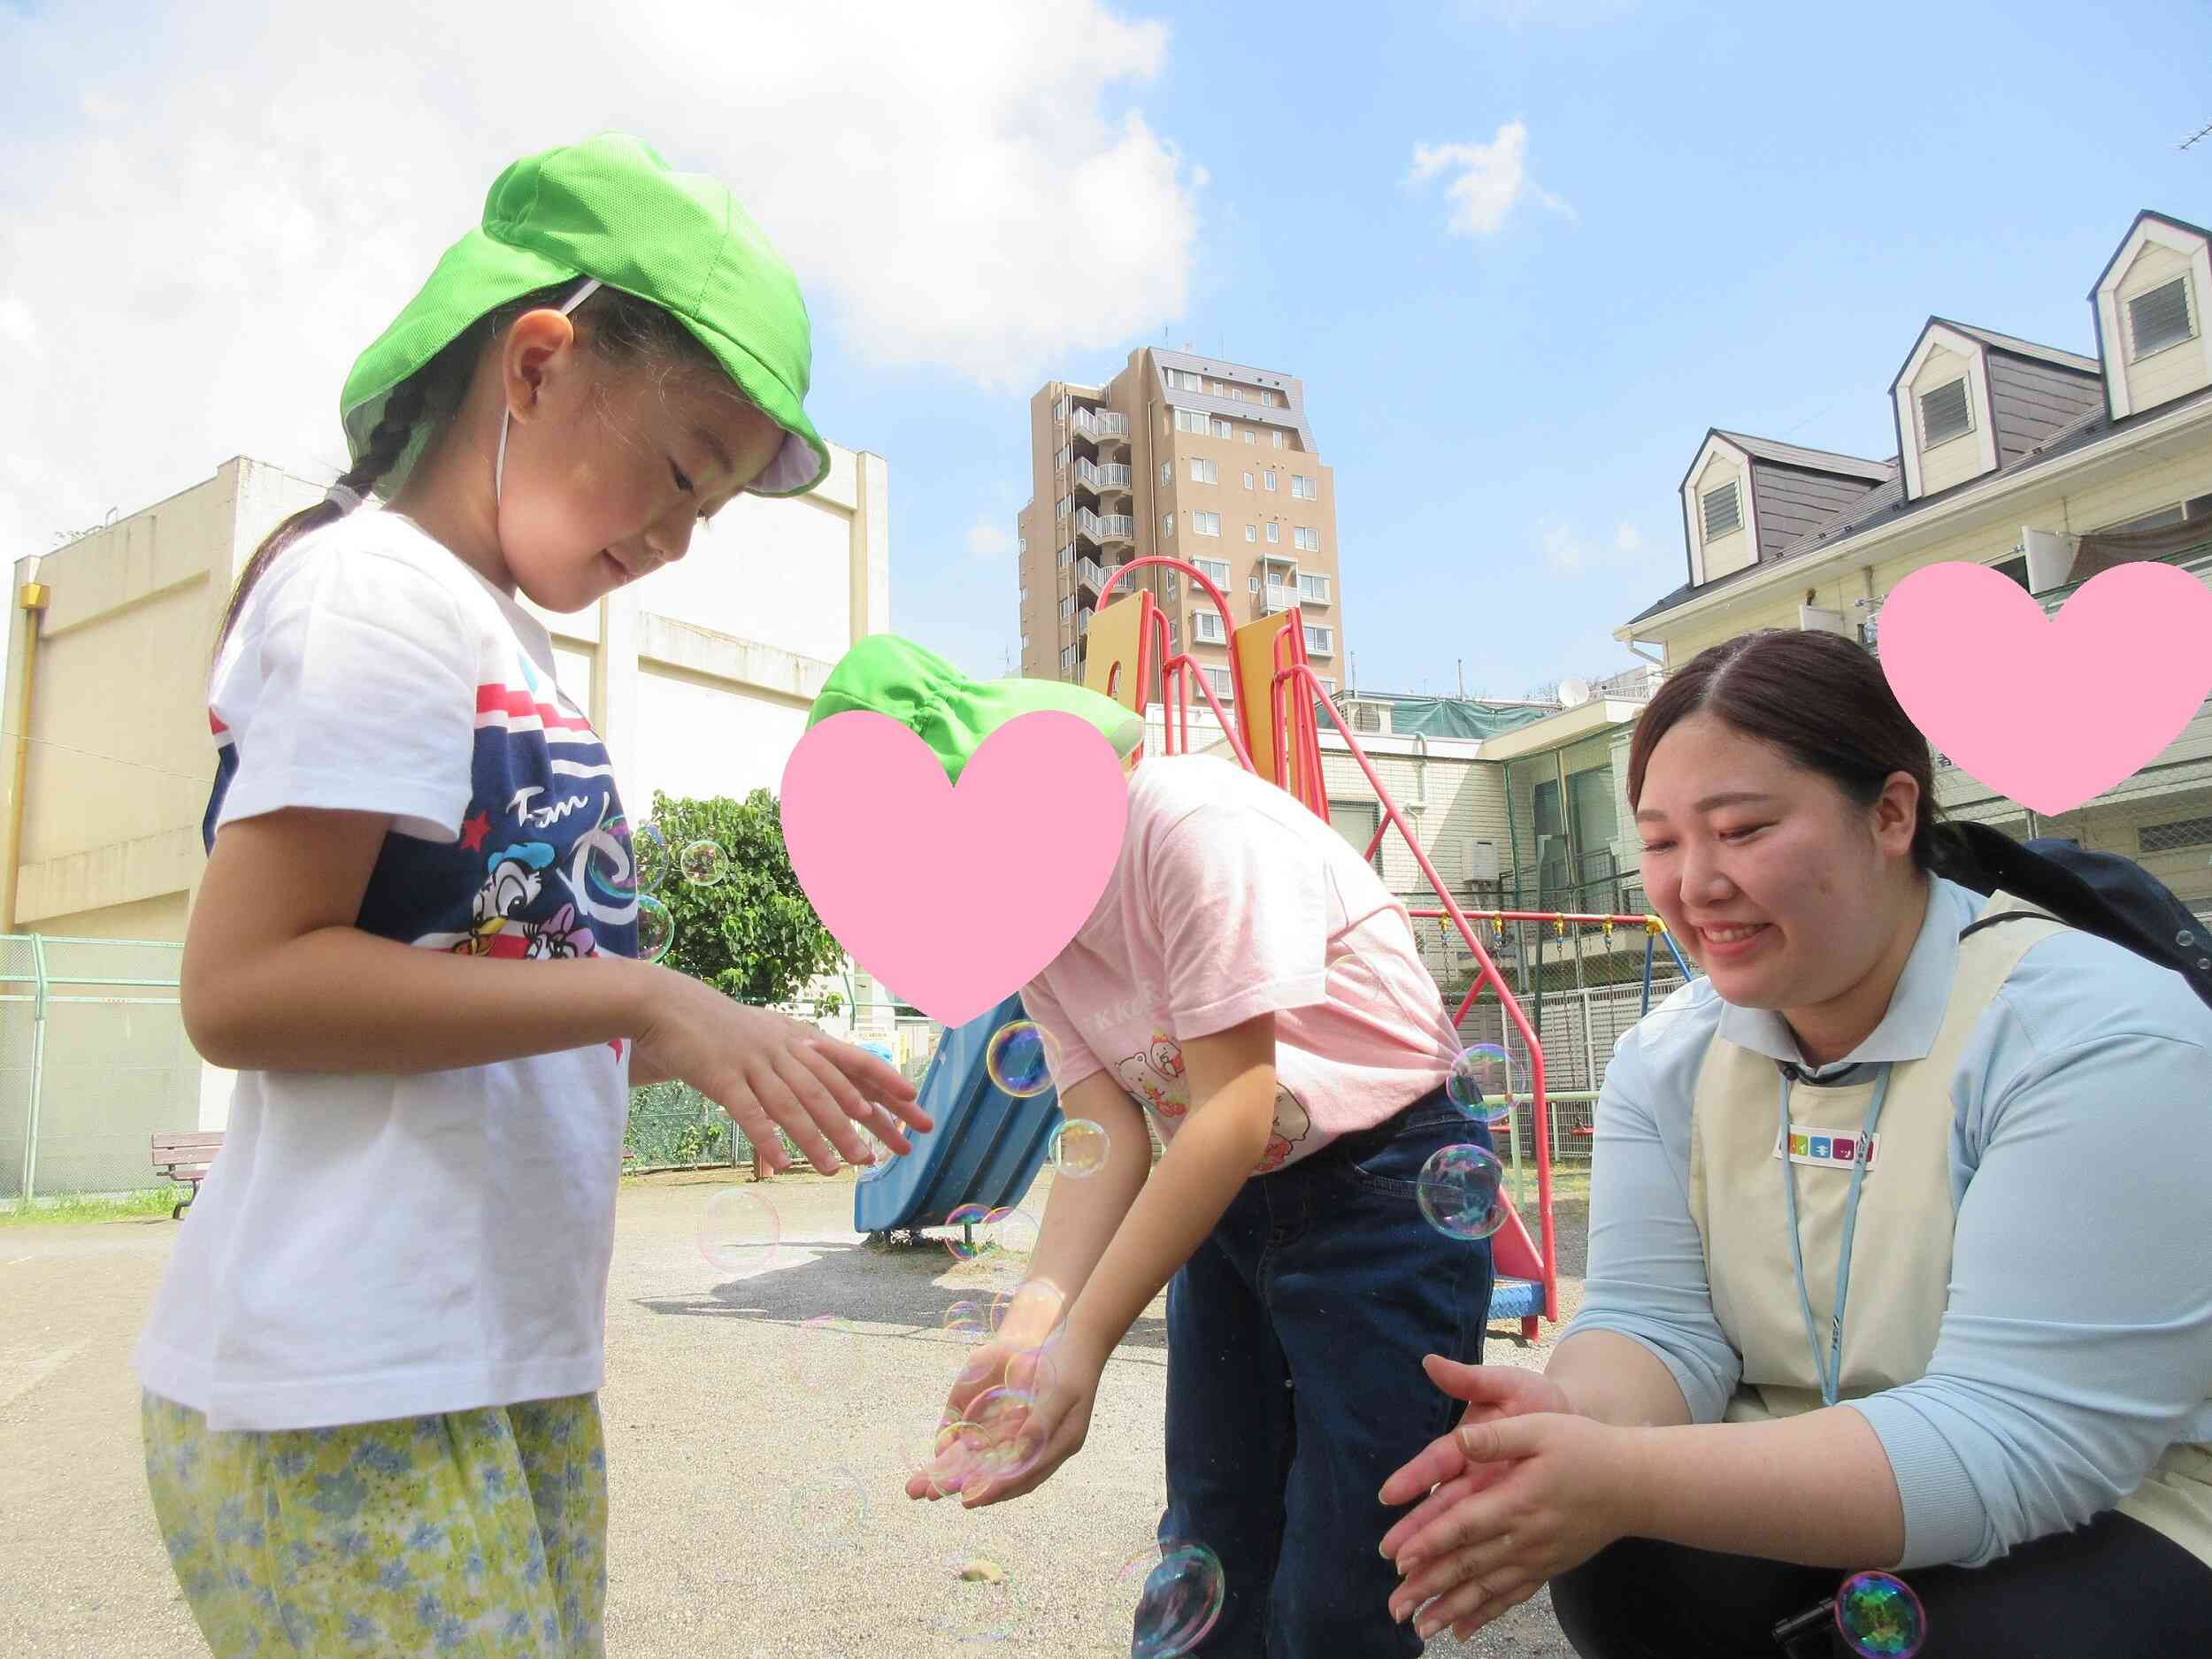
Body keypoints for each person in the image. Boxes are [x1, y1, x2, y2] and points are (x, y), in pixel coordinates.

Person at [134, 134, 929, 1659]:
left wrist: (713, 1031)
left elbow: (479, 974)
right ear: (538, 364)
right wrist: (642, 994)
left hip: (486, 1354)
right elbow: (241, 989)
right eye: (685, 470)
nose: (683, 537)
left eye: (714, 510)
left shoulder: (507, 639)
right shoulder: (374, 592)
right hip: (345, 1374)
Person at [1376, 626, 2212, 1656]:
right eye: (1661, 841)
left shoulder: (2088, 1030)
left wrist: (1622, 1475)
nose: (1694, 883)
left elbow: (2019, 1434)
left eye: (1740, 829)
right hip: (1810, 1470)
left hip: (2119, 1495)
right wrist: (1569, 1413)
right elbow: (1656, 1324)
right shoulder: (1669, 1058)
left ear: (1891, 813)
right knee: (1625, 1571)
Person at [805, 632, 1498, 1658]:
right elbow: (1104, 1133)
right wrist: (1036, 1331)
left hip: (1383, 1188)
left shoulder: (1188, 828)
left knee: (1344, 1571)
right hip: (1228, 1204)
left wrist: (1086, 1345)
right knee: (1210, 1538)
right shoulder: (1026, 926)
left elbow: (1232, 1107)